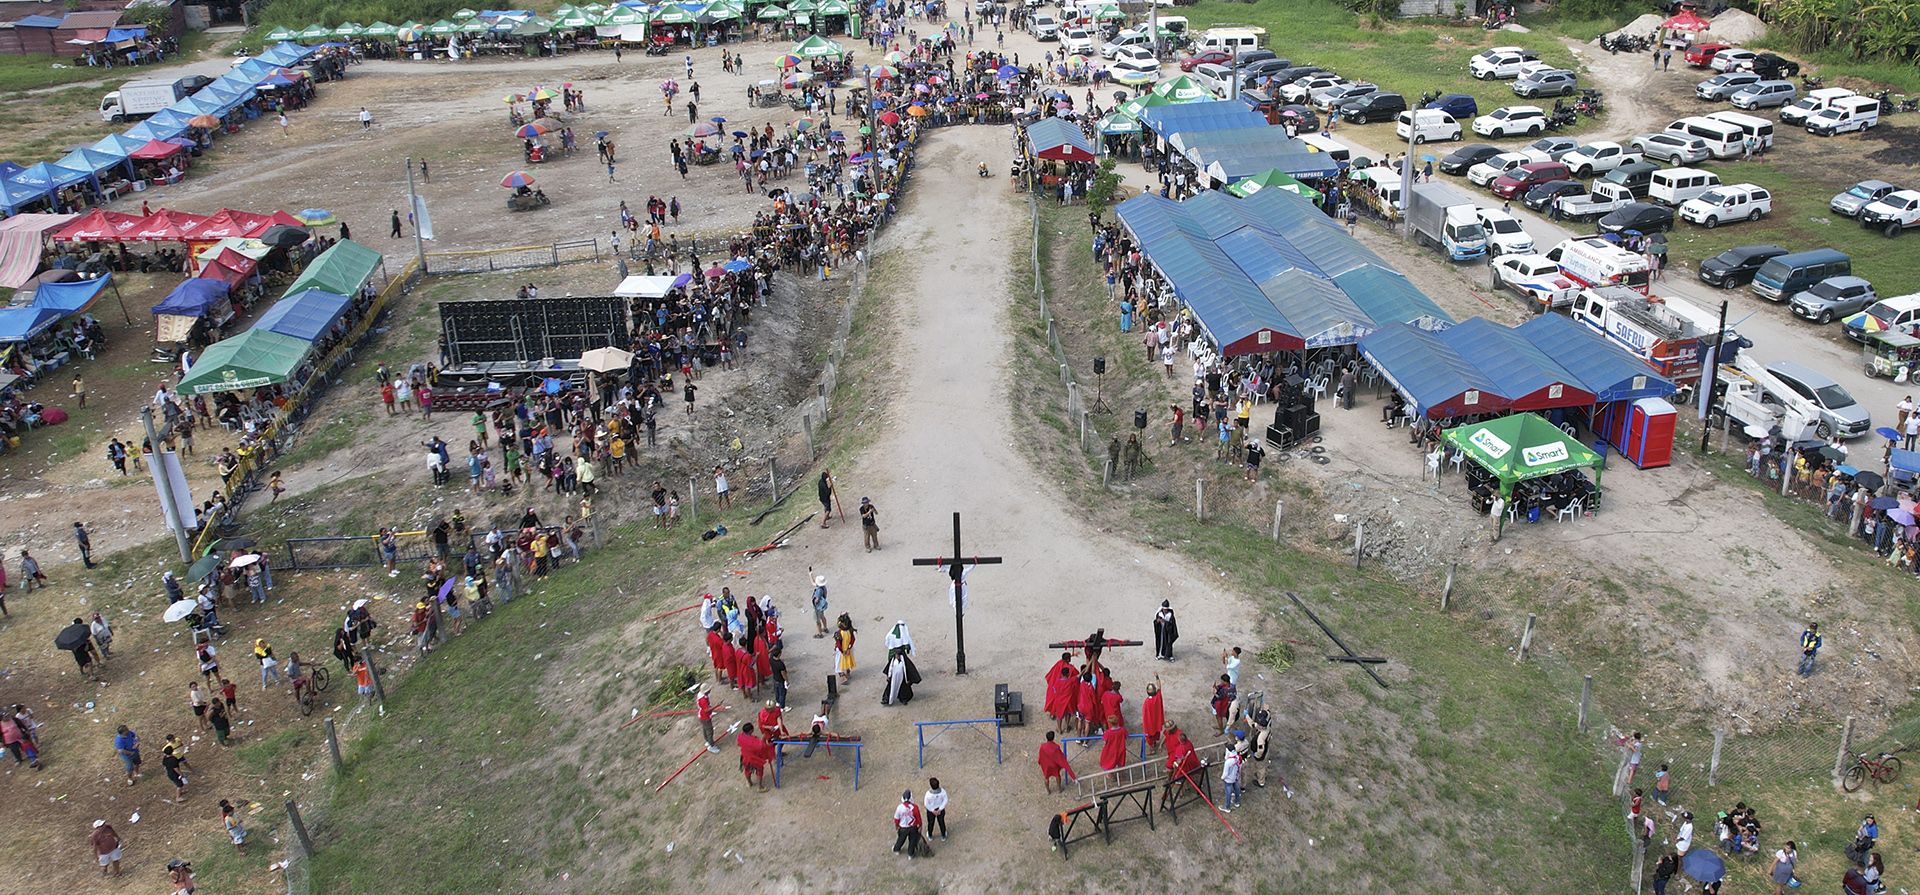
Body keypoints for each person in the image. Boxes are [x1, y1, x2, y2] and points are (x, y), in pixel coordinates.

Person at [892, 790, 925, 858]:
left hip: (903, 828)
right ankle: (910, 854)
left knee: (900, 839)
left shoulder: (900, 807)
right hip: (913, 828)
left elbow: (896, 819)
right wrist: (920, 826)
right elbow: (918, 818)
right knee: (912, 841)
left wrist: (896, 826)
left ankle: (896, 849)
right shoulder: (915, 807)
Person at [1220, 735, 1244, 812]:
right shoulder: (1237, 757)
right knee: (1237, 789)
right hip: (1235, 777)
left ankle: (1227, 807)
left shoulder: (1228, 762)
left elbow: (1225, 773)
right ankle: (1237, 802)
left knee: (1228, 792)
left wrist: (1222, 778)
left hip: (1229, 779)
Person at [697, 685, 720, 753]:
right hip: (705, 717)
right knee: (709, 731)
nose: (710, 690)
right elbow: (706, 710)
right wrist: (717, 705)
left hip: (702, 716)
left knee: (705, 729)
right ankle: (711, 746)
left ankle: (707, 740)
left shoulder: (701, 695)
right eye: (709, 690)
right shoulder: (703, 700)